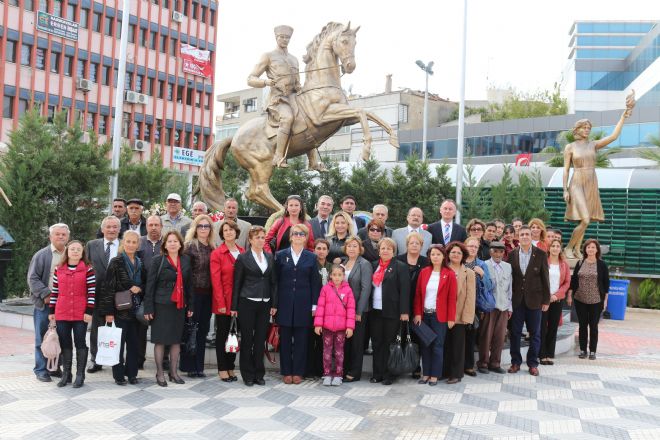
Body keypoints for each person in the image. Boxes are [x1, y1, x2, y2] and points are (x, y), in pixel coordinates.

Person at [563, 97, 634, 259]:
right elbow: (566, 169)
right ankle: (568, 248)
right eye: (584, 127)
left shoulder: (593, 144)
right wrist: (565, 189)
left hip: (591, 182)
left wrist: (623, 116)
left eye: (589, 127)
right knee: (586, 219)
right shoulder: (570, 147)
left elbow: (613, 137)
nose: (587, 130)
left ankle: (576, 249)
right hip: (577, 182)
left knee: (584, 219)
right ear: (577, 129)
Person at [143, 231, 194, 387]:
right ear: (164, 245)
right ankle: (159, 373)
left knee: (175, 340)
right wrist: (148, 308)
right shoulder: (158, 260)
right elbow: (150, 286)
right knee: (160, 340)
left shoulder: (185, 260)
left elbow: (189, 285)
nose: (172, 244)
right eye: (169, 241)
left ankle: (173, 373)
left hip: (179, 306)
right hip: (161, 305)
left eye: (175, 241)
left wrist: (191, 305)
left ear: (180, 244)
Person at [248, 24, 302, 168]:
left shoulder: (294, 59)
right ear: (276, 37)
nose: (285, 40)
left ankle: (314, 161)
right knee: (288, 118)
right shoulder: (268, 56)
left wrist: (301, 88)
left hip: (294, 98)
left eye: (287, 38)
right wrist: (266, 82)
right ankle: (278, 157)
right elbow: (251, 79)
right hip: (278, 99)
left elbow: (298, 83)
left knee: (310, 119)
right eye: (282, 37)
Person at [231, 226, 277, 386]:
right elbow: (237, 283)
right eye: (257, 237)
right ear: (250, 240)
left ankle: (259, 373)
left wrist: (274, 303)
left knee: (260, 340)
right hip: (247, 302)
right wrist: (234, 306)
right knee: (247, 340)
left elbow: (273, 282)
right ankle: (247, 374)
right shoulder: (243, 258)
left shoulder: (270, 257)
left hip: (265, 304)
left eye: (263, 237)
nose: (260, 240)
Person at [275, 224, 321, 384]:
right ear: (290, 236)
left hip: (304, 303)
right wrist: (275, 304)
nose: (298, 236)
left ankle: (298, 372)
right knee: (285, 339)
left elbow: (315, 283)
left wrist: (314, 305)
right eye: (295, 233)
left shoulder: (311, 257)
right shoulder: (280, 255)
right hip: (285, 302)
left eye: (302, 234)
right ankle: (286, 371)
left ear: (306, 237)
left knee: (302, 340)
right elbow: (275, 281)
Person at [48, 240, 95, 388]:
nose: (75, 251)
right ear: (67, 251)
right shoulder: (58, 269)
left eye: (78, 249)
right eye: (72, 249)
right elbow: (55, 291)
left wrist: (89, 311)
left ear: (82, 253)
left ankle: (80, 375)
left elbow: (92, 292)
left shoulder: (88, 269)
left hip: (81, 313)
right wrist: (51, 311)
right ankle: (67, 374)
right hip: (62, 311)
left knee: (80, 342)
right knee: (65, 342)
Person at [101, 230, 145, 386]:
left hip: (135, 311)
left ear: (138, 245)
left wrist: (139, 288)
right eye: (128, 241)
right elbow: (108, 288)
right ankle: (119, 376)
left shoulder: (140, 262)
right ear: (123, 243)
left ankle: (132, 374)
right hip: (119, 311)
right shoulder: (116, 261)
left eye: (134, 242)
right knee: (118, 346)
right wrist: (108, 313)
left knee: (134, 345)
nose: (131, 245)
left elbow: (144, 284)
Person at [27, 223, 70, 382]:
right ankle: (41, 370)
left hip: (66, 305)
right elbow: (33, 278)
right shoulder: (42, 255)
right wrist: (46, 294)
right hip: (46, 304)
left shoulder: (71, 253)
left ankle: (54, 367)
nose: (60, 237)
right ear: (50, 237)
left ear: (68, 237)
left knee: (60, 337)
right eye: (57, 234)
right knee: (42, 337)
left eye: (63, 235)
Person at [508, 225, 550, 376]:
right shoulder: (512, 254)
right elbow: (510, 279)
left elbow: (545, 278)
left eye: (527, 234)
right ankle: (515, 362)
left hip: (535, 300)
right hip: (517, 301)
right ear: (518, 237)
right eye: (522, 234)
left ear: (531, 236)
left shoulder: (540, 254)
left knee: (535, 334)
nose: (525, 236)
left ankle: (533, 364)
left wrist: (546, 300)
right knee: (515, 333)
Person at [413, 245, 456, 386]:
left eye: (438, 254)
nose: (435, 257)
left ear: (444, 256)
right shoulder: (424, 272)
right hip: (425, 315)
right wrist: (418, 313)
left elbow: (451, 298)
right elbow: (418, 295)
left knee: (437, 345)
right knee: (425, 344)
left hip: (440, 316)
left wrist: (451, 317)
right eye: (433, 254)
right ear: (429, 257)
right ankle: (425, 373)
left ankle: (435, 375)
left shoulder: (449, 274)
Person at [369, 237, 410, 385]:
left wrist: (404, 311)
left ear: (393, 251)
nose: (385, 251)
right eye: (382, 248)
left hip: (392, 312)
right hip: (375, 311)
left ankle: (389, 374)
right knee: (377, 343)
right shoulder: (373, 266)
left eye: (388, 248)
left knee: (390, 343)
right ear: (378, 251)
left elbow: (405, 291)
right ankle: (377, 373)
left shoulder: (400, 266)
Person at [180, 214, 216, 378]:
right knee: (190, 330)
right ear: (195, 228)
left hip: (208, 295)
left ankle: (199, 366)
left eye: (206, 226)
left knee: (203, 330)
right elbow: (185, 274)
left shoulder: (213, 247)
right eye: (200, 226)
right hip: (193, 295)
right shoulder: (188, 247)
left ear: (210, 229)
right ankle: (188, 366)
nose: (203, 229)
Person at [85, 216, 121, 374]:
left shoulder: (125, 245)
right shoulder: (92, 245)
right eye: (109, 227)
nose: (112, 230)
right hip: (98, 293)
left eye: (115, 227)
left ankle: (117, 360)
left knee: (119, 328)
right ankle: (96, 359)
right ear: (102, 229)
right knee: (97, 329)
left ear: (119, 229)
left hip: (120, 294)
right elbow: (85, 267)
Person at [210, 220, 245, 382]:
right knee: (223, 335)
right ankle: (222, 368)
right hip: (224, 302)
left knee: (234, 335)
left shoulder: (243, 251)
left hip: (240, 302)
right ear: (222, 234)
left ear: (236, 232)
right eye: (225, 230)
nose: (229, 232)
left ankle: (231, 367)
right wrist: (222, 304)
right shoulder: (217, 253)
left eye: (231, 229)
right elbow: (216, 282)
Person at [567, 239, 610, 360]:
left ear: (597, 250)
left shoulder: (602, 264)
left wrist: (605, 300)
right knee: (582, 325)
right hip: (580, 299)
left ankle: (592, 351)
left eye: (593, 247)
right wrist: (570, 295)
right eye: (588, 247)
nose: (590, 249)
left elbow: (606, 284)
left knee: (593, 326)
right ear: (585, 249)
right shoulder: (580, 262)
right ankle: (582, 350)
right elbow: (574, 280)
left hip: (596, 300)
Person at [314, 264, 356, 386]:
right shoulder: (325, 289)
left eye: (340, 275)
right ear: (330, 275)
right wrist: (318, 324)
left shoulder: (348, 290)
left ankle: (338, 374)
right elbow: (320, 307)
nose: (337, 277)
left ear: (344, 276)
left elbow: (351, 309)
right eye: (334, 275)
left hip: (341, 328)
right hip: (327, 327)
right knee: (326, 351)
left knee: (339, 352)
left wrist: (350, 327)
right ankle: (326, 374)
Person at [396, 231, 429, 379]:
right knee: (399, 335)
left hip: (418, 305)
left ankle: (415, 366)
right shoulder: (398, 260)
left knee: (416, 337)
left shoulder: (426, 262)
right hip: (399, 304)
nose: (414, 245)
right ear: (407, 245)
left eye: (417, 243)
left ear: (422, 246)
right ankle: (398, 365)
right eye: (411, 243)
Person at [341, 237, 373, 382]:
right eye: (349, 246)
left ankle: (355, 372)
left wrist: (358, 311)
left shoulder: (364, 264)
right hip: (342, 310)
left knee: (356, 343)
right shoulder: (343, 263)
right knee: (345, 342)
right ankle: (345, 368)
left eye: (355, 246)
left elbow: (366, 289)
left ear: (360, 248)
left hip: (358, 311)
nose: (352, 249)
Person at [444, 241, 476, 384]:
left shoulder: (468, 273)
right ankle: (444, 371)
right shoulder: (443, 269)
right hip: (442, 314)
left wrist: (467, 317)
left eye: (458, 252)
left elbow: (470, 297)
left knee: (457, 346)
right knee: (444, 344)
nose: (455, 254)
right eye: (453, 252)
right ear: (448, 254)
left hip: (459, 316)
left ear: (463, 255)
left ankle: (456, 374)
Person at [478, 241, 512, 374]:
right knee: (486, 336)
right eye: (495, 251)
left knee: (500, 337)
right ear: (490, 252)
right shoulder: (484, 265)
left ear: (504, 253)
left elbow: (510, 288)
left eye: (501, 251)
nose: (498, 254)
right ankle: (483, 363)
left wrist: (510, 308)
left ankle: (495, 363)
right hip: (489, 307)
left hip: (503, 307)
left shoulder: (508, 266)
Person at [463, 237, 493, 376]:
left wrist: (482, 275)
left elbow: (490, 285)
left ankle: (469, 366)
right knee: (456, 337)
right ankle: (455, 364)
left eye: (475, 247)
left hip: (474, 305)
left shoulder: (481, 264)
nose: (473, 248)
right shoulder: (458, 261)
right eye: (470, 246)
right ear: (465, 246)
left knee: (470, 336)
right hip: (457, 304)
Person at [136, 214, 163, 369]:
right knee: (140, 326)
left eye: (156, 225)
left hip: (161, 293)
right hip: (142, 292)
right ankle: (139, 359)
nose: (153, 228)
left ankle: (164, 360)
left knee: (162, 327)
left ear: (161, 226)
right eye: (150, 225)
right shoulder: (139, 242)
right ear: (146, 226)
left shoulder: (166, 243)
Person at [539, 239, 571, 365]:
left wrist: (556, 295)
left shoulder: (564, 264)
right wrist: (547, 296)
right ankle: (541, 355)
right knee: (541, 328)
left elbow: (567, 282)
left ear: (560, 249)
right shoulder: (543, 261)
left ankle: (548, 354)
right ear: (549, 248)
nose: (555, 248)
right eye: (553, 246)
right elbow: (539, 279)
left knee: (553, 327)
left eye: (558, 246)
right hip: (544, 299)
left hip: (557, 300)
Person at [307, 239, 333, 378]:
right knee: (311, 339)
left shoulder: (331, 267)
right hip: (312, 307)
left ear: (328, 251)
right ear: (314, 250)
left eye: (324, 249)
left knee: (324, 341)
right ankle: (310, 369)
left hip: (328, 309)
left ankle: (321, 369)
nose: (321, 251)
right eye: (318, 248)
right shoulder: (310, 265)